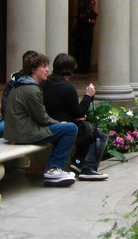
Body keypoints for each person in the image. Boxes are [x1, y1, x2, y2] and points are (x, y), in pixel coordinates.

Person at [3, 51, 78, 186]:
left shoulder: (21, 85)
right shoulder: (31, 89)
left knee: (65, 128)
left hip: (18, 132)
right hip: (24, 133)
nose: (47, 70)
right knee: (70, 129)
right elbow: (42, 119)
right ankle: (54, 168)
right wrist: (60, 123)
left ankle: (54, 168)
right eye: (43, 67)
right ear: (33, 70)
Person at [42, 53, 108, 181]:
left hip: (53, 122)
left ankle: (77, 164)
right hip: (64, 126)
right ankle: (88, 168)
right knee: (99, 135)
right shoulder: (67, 88)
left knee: (86, 129)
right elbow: (79, 112)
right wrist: (88, 95)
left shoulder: (45, 84)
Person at [0, 49, 37, 140]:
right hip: (17, 119)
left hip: (34, 120)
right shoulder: (13, 83)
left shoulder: (41, 82)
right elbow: (5, 107)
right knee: (0, 129)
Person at [72, 0, 98, 72]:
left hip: (88, 36)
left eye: (93, 5)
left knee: (86, 53)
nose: (91, 6)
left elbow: (93, 23)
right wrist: (89, 20)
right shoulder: (81, 10)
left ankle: (85, 69)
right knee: (77, 52)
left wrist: (86, 19)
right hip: (79, 35)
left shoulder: (94, 14)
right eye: (90, 4)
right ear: (87, 4)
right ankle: (75, 69)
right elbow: (80, 19)